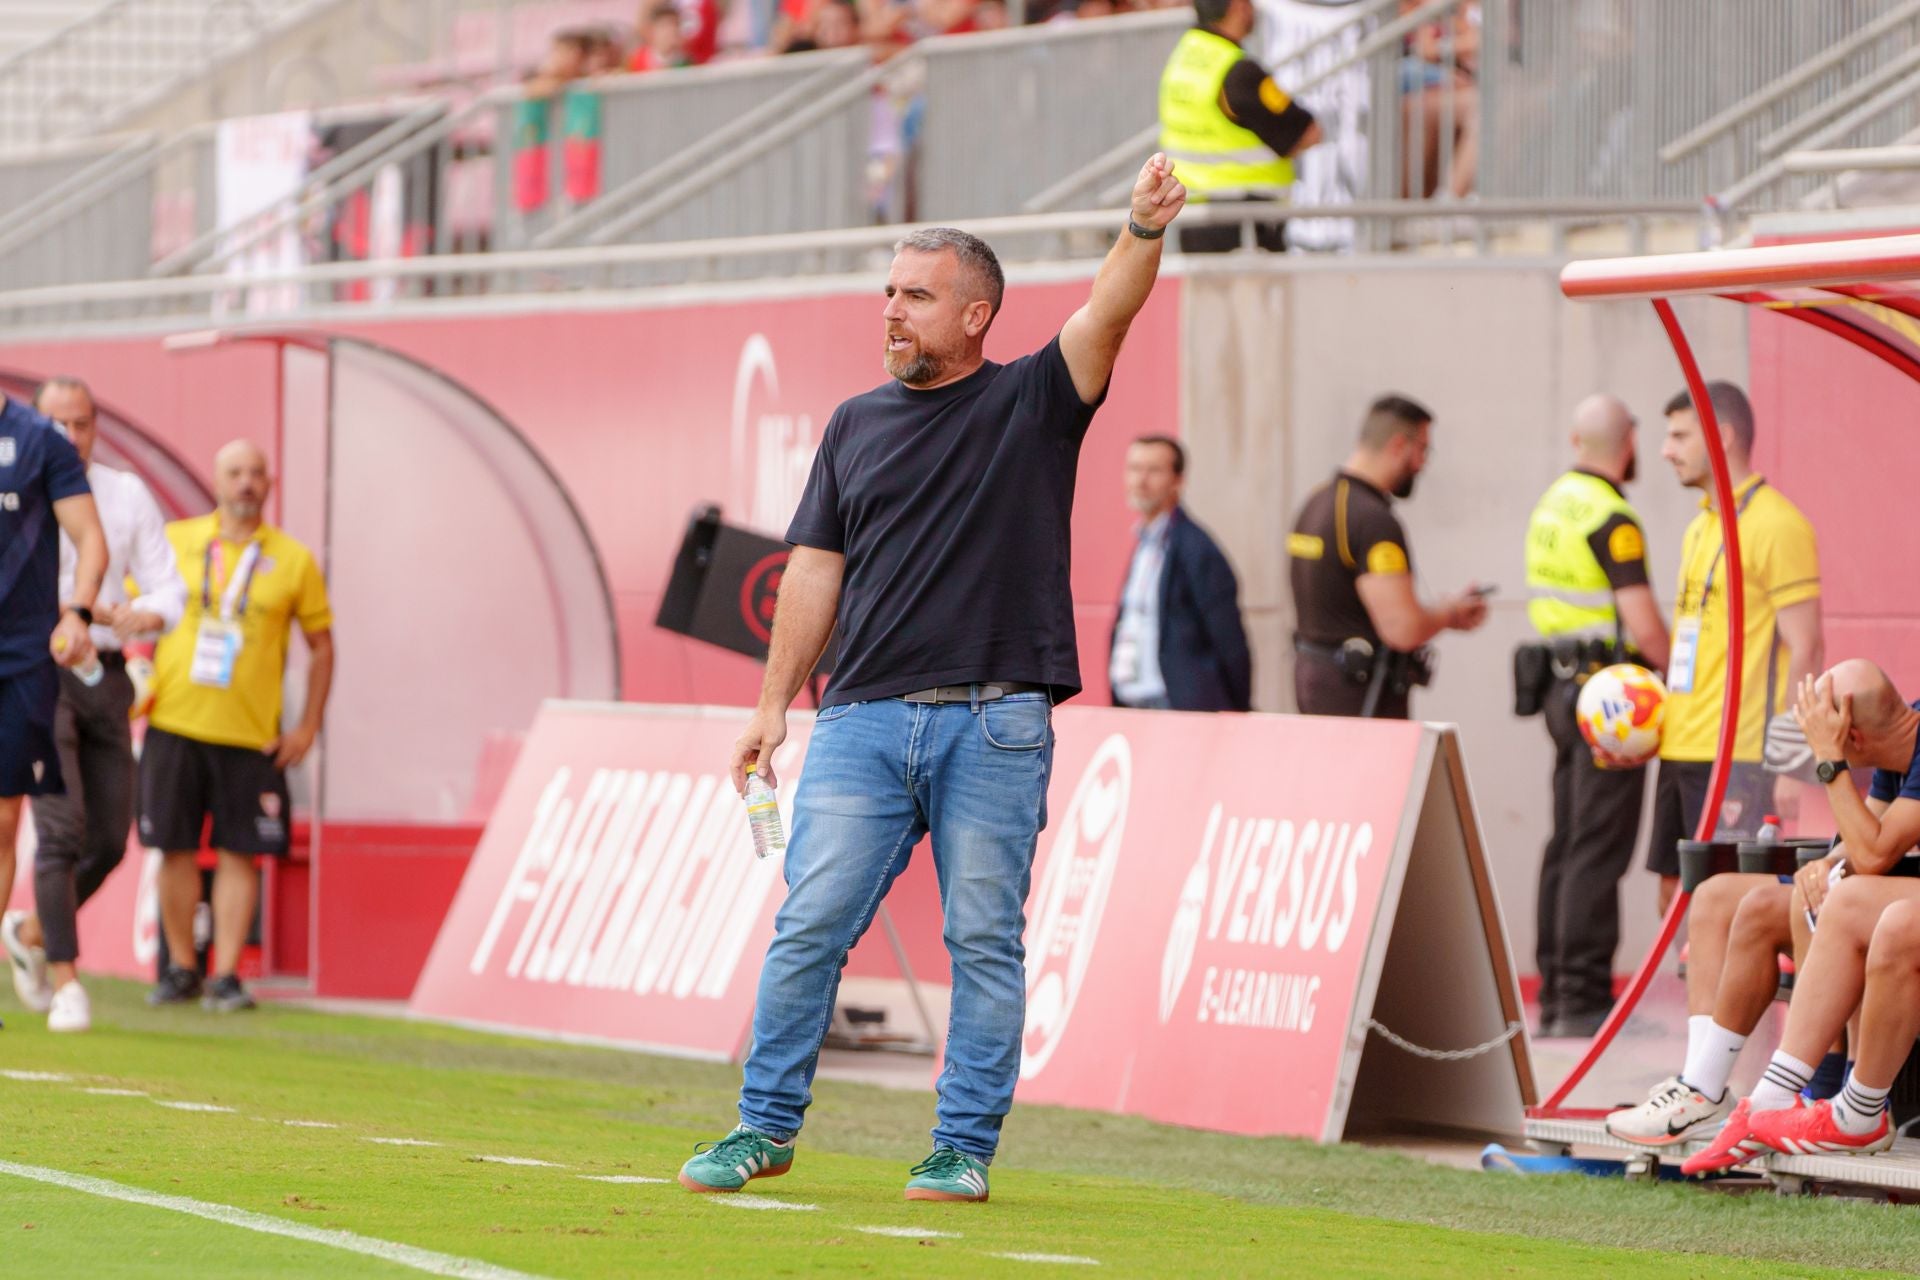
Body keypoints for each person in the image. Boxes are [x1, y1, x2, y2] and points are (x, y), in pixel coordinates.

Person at [678, 155, 1187, 1203]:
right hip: (857, 720)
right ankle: (760, 1128)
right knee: (810, 922)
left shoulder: (1037, 399)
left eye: (916, 295)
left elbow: (1106, 315)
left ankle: (961, 1147)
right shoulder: (853, 424)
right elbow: (814, 571)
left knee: (982, 940)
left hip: (997, 720)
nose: (893, 312)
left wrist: (1141, 228)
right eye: (888, 294)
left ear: (976, 315)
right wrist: (772, 707)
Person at [1681, 661, 1920, 1174]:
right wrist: (1827, 866)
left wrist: (1830, 762)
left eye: (1823, 733)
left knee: (1863, 904)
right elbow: (1861, 841)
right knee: (1827, 894)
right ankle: (1763, 1096)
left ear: (1850, 735)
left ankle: (1849, 1108)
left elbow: (1874, 852)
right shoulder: (1904, 740)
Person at [0, 379, 184, 1035]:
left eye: (82, 424)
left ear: (97, 426)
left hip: (106, 670)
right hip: (34, 670)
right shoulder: (15, 475)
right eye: (58, 424)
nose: (70, 438)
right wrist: (61, 611)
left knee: (108, 839)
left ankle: (30, 930)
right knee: (61, 827)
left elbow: (167, 585)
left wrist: (143, 612)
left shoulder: (124, 492)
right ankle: (67, 985)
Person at [141, 440, 334, 1014]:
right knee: (172, 847)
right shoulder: (175, 543)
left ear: (269, 485)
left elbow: (322, 648)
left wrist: (306, 728)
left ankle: (225, 974)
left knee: (239, 853)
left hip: (251, 734)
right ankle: (181, 968)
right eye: (234, 473)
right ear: (217, 482)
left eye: (255, 473)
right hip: (174, 720)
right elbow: (128, 607)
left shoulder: (294, 560)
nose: (245, 483)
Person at [1521, 394, 1671, 1038]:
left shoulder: (1554, 502)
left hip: (1558, 688)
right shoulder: (1613, 517)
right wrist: (1679, 676)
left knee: (1567, 840)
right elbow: (1644, 622)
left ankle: (1558, 990)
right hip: (1609, 697)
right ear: (1629, 442)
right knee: (1598, 847)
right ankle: (1582, 1001)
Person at [1646, 381, 1822, 915]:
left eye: (1679, 435)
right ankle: (1702, 1003)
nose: (1665, 449)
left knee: (1728, 908)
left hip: (1739, 755)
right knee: (1673, 899)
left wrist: (1793, 762)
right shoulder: (1702, 525)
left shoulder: (1777, 524)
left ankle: (1733, 1004)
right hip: (1682, 746)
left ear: (1721, 436)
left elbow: (1808, 647)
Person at [0, 390, 106, 1034]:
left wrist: (79, 611)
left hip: (19, 657)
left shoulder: (40, 440)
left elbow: (90, 539)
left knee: (5, 820)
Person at [1287, 394, 1486, 719]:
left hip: (1316, 683)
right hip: (1360, 698)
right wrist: (1450, 613)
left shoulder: (1317, 503)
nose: (1422, 463)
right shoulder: (1372, 521)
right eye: (1422, 449)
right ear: (1398, 445)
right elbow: (1402, 628)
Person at [1156, 0, 1322, 255]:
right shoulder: (1237, 71)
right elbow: (1308, 132)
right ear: (1237, 6)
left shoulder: (1183, 57)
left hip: (1194, 215)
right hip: (1244, 224)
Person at [1109, 435, 1251, 712]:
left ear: (1178, 480)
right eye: (1135, 468)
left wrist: (1238, 709)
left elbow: (1229, 639)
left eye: (1154, 470)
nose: (1141, 480)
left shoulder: (1197, 548)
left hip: (1177, 707)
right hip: (1133, 704)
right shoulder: (1145, 546)